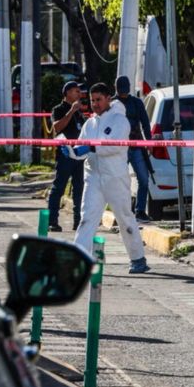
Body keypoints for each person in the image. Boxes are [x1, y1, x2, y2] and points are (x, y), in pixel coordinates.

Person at [63, 83, 150, 274]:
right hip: (93, 178)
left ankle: (138, 258)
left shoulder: (120, 121)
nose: (95, 104)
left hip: (115, 178)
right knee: (87, 219)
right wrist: (71, 151)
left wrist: (92, 147)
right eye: (92, 100)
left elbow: (114, 147)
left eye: (98, 100)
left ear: (108, 98)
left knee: (125, 218)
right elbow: (81, 149)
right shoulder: (90, 123)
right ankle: (78, 260)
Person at [112, 76, 154, 222]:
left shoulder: (136, 103)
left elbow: (145, 123)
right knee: (119, 181)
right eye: (121, 90)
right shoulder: (111, 104)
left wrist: (149, 142)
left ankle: (140, 210)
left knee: (143, 178)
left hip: (136, 146)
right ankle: (120, 211)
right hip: (119, 148)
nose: (123, 93)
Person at [46, 81, 86, 232]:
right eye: (76, 91)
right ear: (68, 93)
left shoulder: (79, 112)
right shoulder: (59, 109)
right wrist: (71, 111)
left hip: (79, 155)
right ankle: (52, 221)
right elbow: (56, 127)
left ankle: (78, 221)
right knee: (59, 187)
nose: (79, 94)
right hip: (65, 155)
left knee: (79, 188)